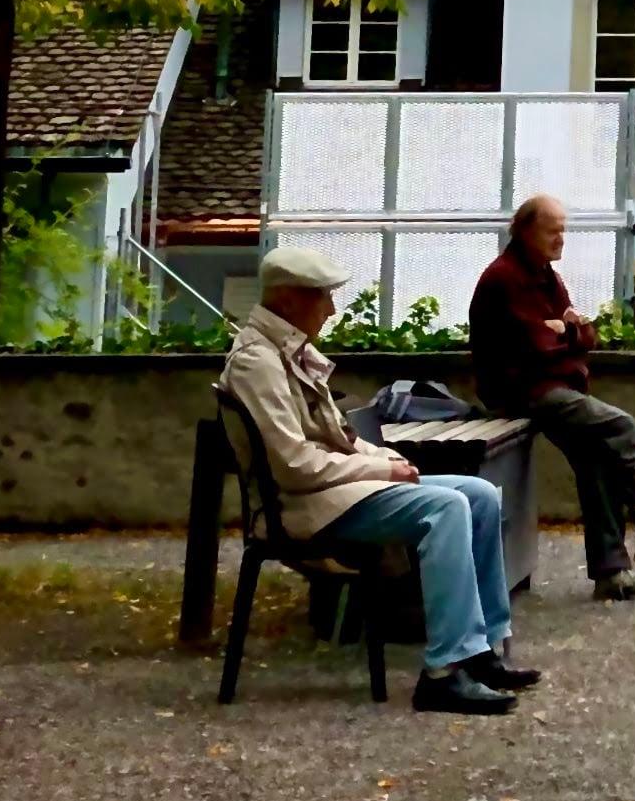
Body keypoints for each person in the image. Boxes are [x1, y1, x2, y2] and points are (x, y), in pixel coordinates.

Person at [221, 241, 535, 716]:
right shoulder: (256, 363)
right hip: (306, 506)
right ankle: (443, 674)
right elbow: (294, 465)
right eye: (321, 296)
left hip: (336, 493)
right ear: (287, 300)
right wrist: (379, 468)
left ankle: (482, 651)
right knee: (447, 508)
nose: (330, 308)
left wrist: (383, 456)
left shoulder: (287, 353)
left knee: (480, 495)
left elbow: (337, 437)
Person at [469, 193, 635, 599]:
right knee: (622, 427)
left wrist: (568, 330)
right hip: (524, 391)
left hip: (554, 386)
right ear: (525, 231)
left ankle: (613, 576)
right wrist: (563, 331)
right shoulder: (505, 278)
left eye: (563, 230)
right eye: (552, 231)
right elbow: (537, 345)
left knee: (598, 462)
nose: (561, 239)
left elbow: (585, 334)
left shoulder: (545, 275)